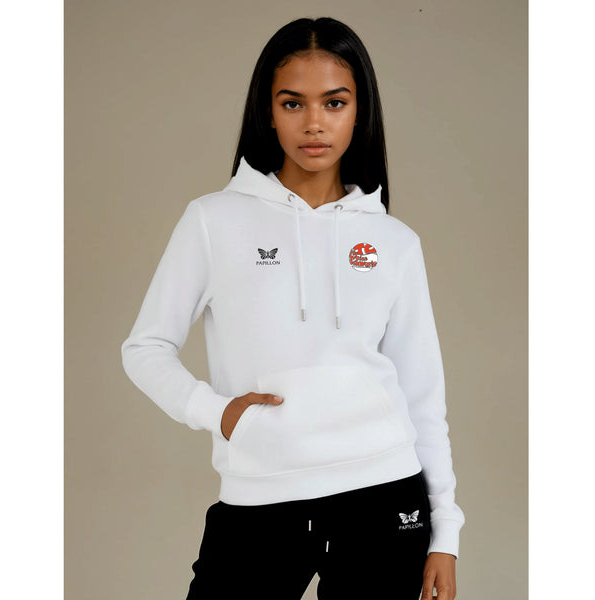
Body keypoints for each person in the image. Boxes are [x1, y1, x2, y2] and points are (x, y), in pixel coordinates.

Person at [121, 16, 465, 600]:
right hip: (261, 496)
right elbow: (144, 348)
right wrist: (216, 412)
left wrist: (445, 532)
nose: (314, 123)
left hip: (384, 496)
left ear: (359, 111)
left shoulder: (394, 241)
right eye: (292, 103)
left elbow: (423, 394)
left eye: (334, 102)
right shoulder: (213, 221)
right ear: (269, 111)